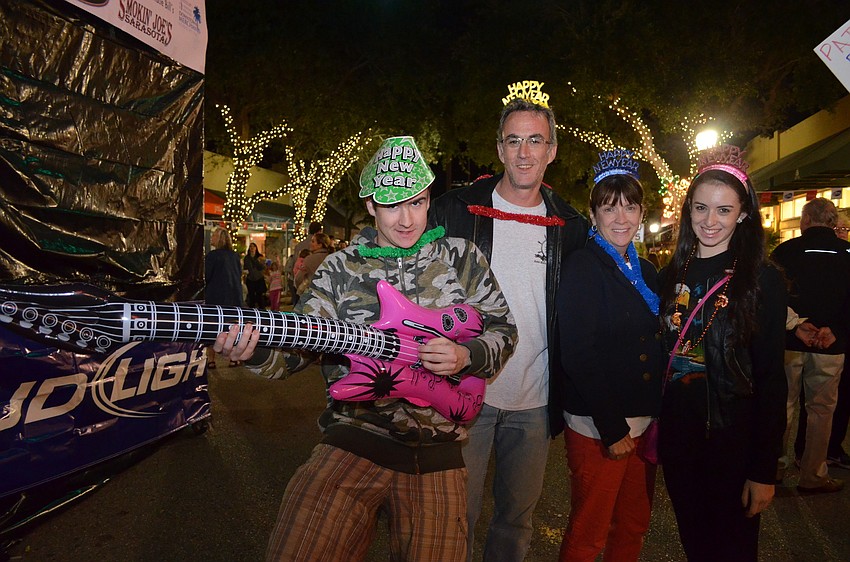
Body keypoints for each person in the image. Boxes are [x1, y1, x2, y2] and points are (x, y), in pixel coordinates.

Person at [215, 136, 517, 562]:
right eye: (393, 205)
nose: (407, 219)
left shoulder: (461, 257)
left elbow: (503, 329)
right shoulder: (339, 269)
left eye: (416, 202)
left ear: (430, 199)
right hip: (354, 436)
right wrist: (255, 353)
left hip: (437, 451)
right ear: (371, 206)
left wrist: (468, 356)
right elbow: (297, 351)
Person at [430, 97, 588, 561]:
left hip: (534, 400)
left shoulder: (570, 225)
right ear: (499, 150)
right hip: (465, 391)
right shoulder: (454, 211)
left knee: (516, 523)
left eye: (535, 140)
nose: (524, 152)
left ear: (551, 151)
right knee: (456, 515)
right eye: (514, 140)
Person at [658, 145, 787, 561]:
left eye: (724, 210)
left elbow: (771, 379)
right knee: (696, 545)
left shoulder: (761, 280)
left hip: (732, 442)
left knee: (733, 550)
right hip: (679, 441)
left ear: (744, 214)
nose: (710, 221)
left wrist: (763, 470)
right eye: (700, 208)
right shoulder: (669, 274)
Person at [555, 150, 663, 561]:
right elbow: (578, 352)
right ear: (593, 213)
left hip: (643, 420)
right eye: (609, 207)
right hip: (600, 425)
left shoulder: (647, 270)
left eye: (630, 206)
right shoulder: (583, 266)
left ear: (641, 212)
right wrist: (611, 427)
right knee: (589, 530)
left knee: (633, 523)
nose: (621, 218)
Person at [772, 197, 850, 493]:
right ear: (832, 223)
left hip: (791, 340)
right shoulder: (847, 253)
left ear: (805, 221)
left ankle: (774, 468)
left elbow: (770, 296)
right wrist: (836, 330)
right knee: (821, 412)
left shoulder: (785, 252)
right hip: (831, 344)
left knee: (783, 407)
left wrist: (794, 324)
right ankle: (813, 474)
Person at [204, 227, 243, 369]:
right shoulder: (234, 256)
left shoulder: (212, 256)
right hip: (233, 297)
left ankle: (211, 359)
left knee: (211, 328)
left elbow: (206, 276)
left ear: (219, 238)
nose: (211, 237)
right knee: (232, 328)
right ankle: (234, 358)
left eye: (214, 235)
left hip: (215, 297)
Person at [287, 222, 323, 306]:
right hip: (312, 284)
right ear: (319, 232)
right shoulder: (319, 247)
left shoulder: (299, 245)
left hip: (299, 283)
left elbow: (295, 263)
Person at [244, 242, 266, 308]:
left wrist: (257, 261)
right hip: (250, 278)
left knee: (259, 296)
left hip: (259, 278)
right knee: (251, 296)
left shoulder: (260, 257)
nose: (252, 248)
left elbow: (262, 267)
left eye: (253, 247)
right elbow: (246, 267)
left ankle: (262, 310)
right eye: (251, 247)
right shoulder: (247, 258)